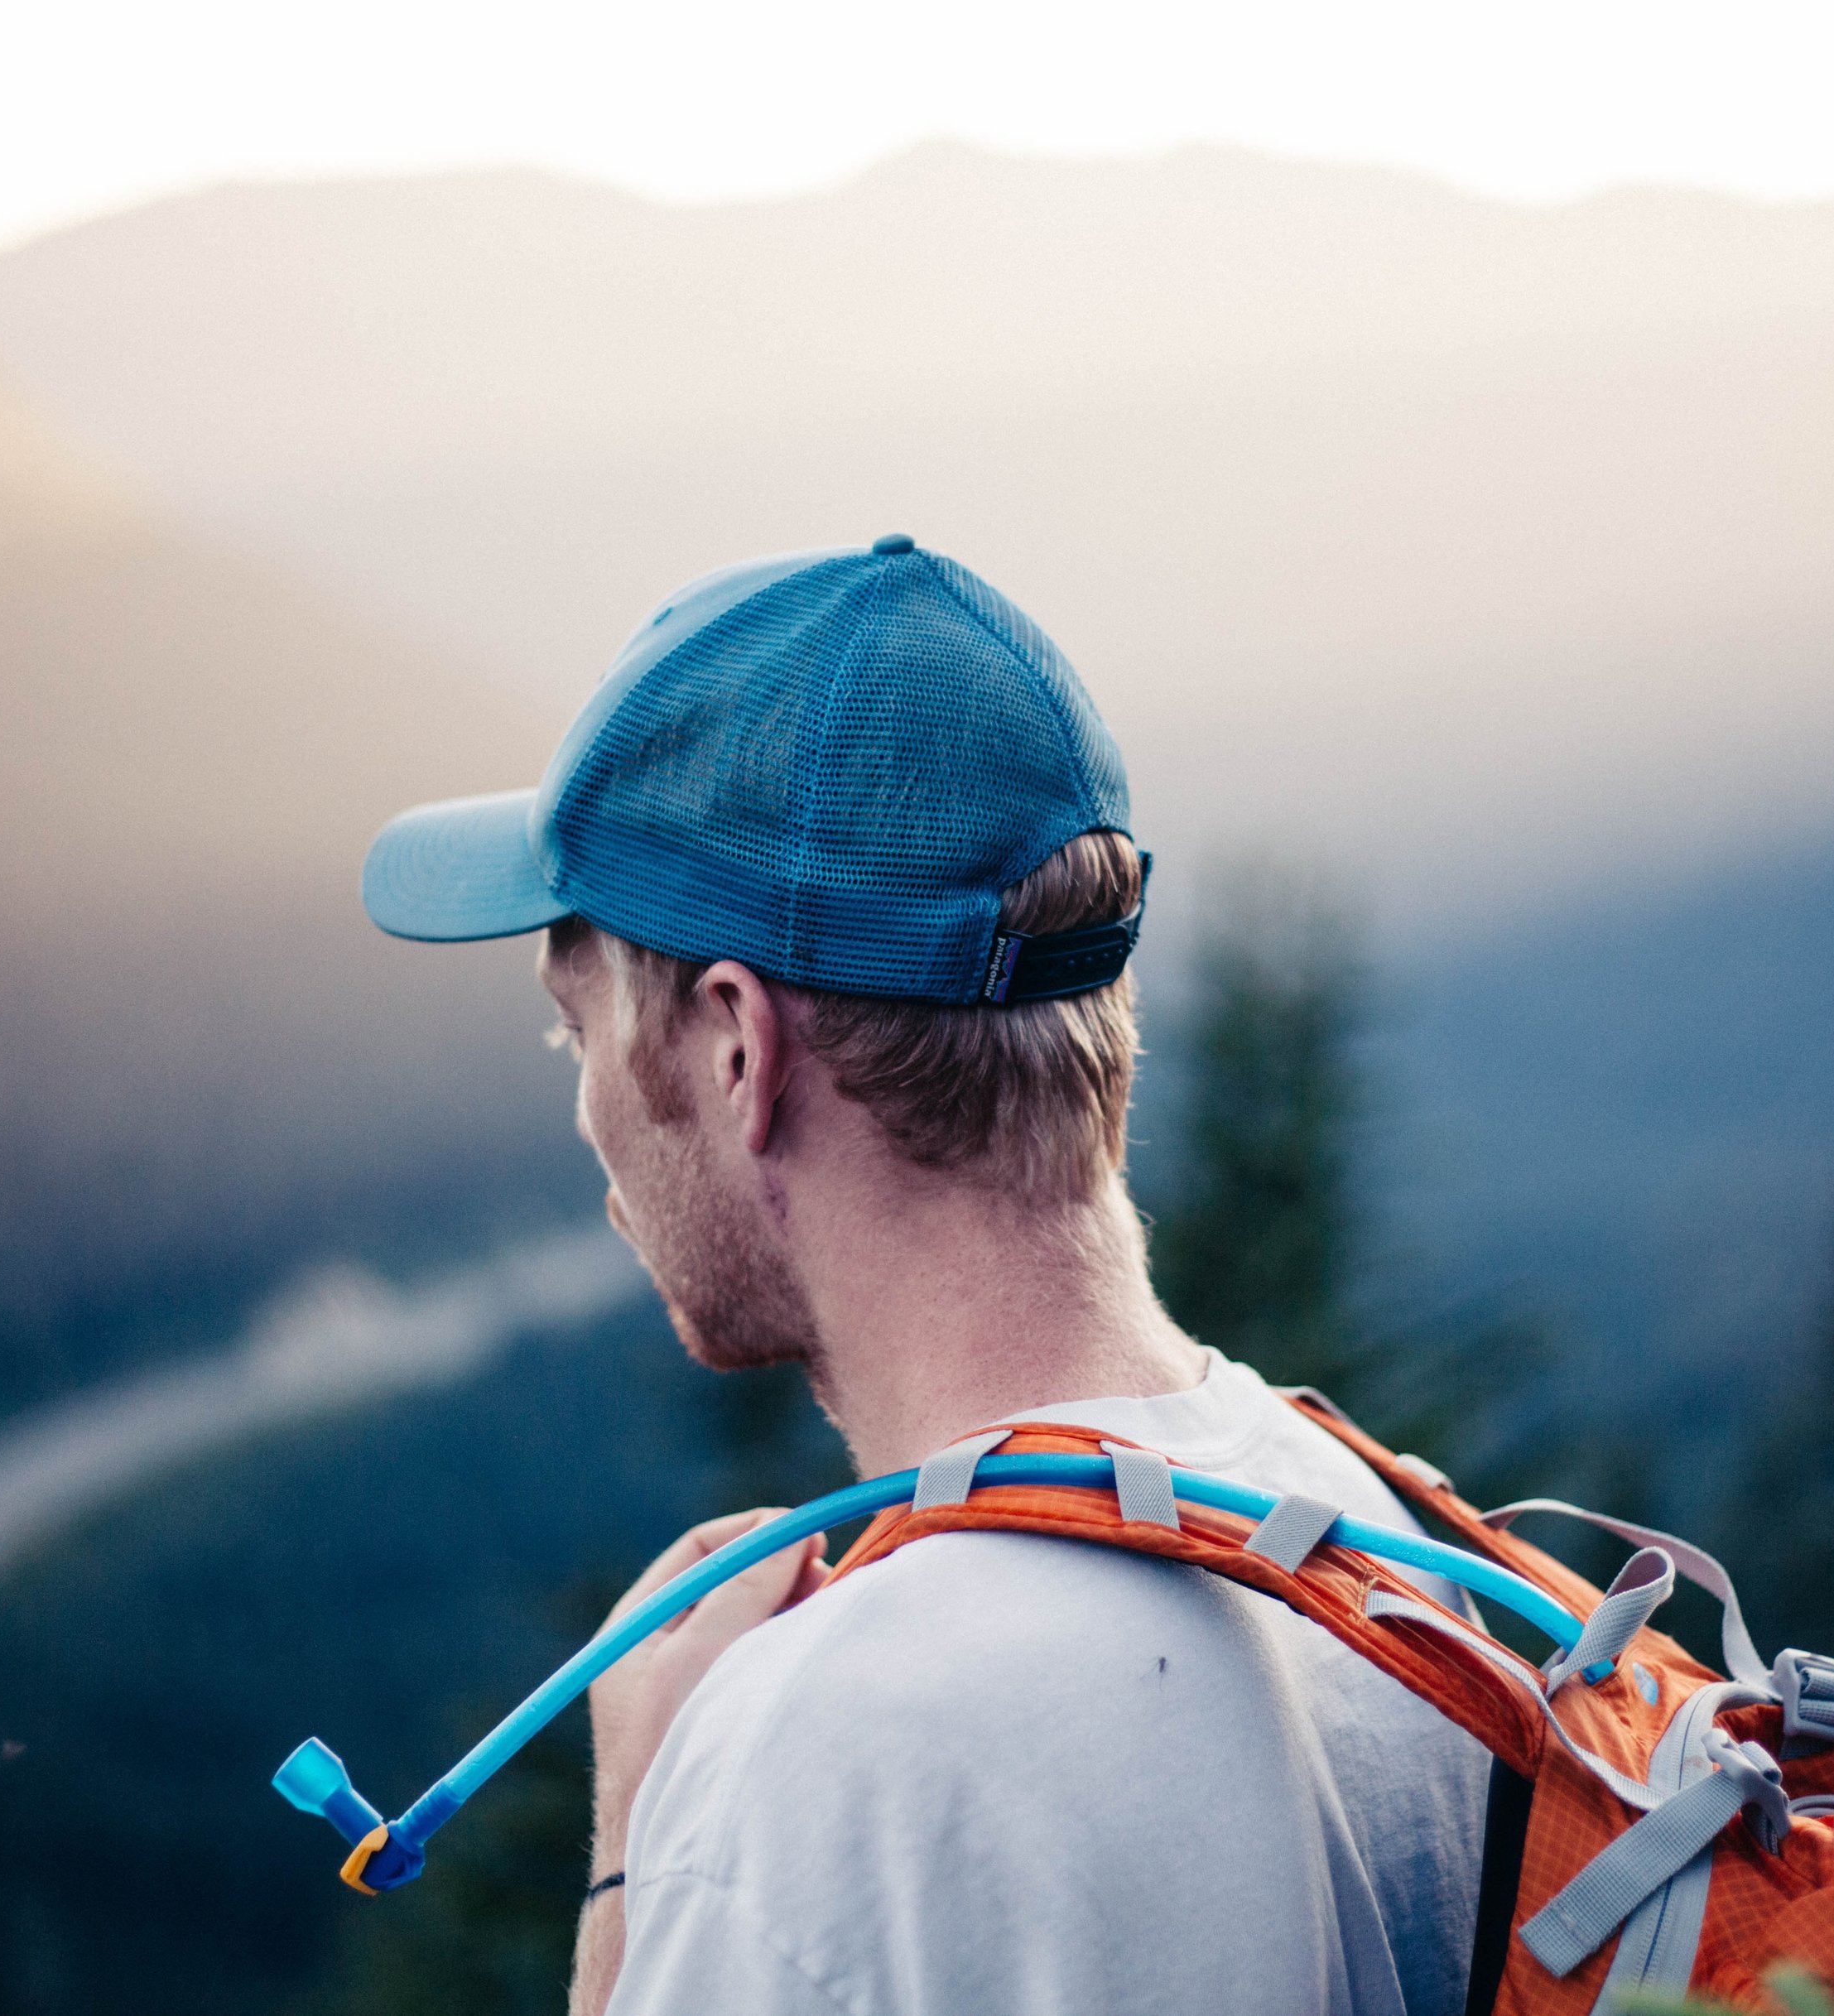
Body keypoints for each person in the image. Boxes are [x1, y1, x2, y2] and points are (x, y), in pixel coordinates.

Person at [363, 536, 1499, 2016]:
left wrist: (641, 1848)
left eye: (573, 1032)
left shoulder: (825, 1773)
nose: (583, 1109)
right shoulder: (1393, 1543)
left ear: (731, 1050)